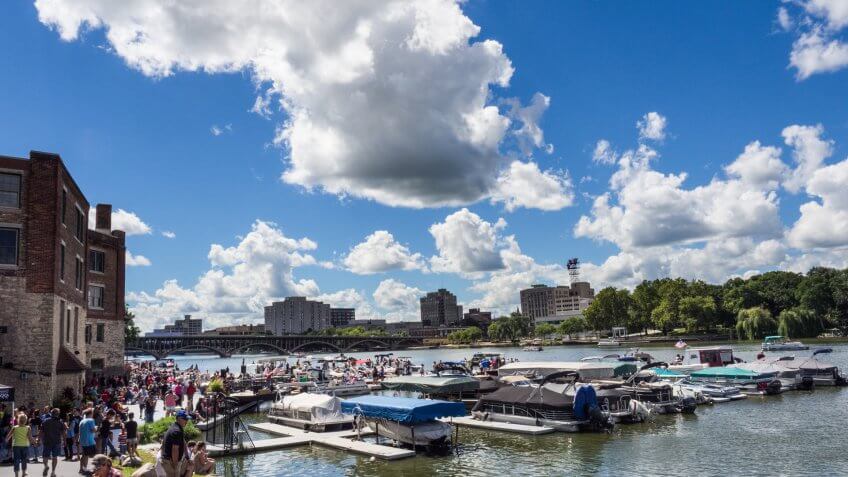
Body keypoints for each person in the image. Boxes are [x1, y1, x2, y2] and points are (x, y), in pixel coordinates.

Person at [156, 410, 189, 477]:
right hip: (170, 461)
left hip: (167, 459)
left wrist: (187, 456)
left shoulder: (175, 427)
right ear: (179, 418)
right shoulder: (177, 431)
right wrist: (175, 464)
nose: (187, 421)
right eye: (185, 419)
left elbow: (183, 441)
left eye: (187, 419)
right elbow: (175, 449)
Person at [39, 408, 66, 477]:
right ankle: (53, 472)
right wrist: (64, 441)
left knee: (45, 456)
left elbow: (41, 431)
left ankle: (46, 466)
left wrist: (38, 439)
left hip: (47, 441)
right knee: (55, 457)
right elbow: (63, 432)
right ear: (58, 414)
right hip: (57, 442)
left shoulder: (45, 421)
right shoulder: (60, 421)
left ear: (51, 413)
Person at [78, 409, 98, 475]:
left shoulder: (82, 421)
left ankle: (81, 469)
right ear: (90, 413)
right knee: (94, 455)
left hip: (83, 440)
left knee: (84, 455)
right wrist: (96, 428)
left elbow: (80, 431)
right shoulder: (91, 420)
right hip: (89, 441)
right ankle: (88, 469)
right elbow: (93, 430)